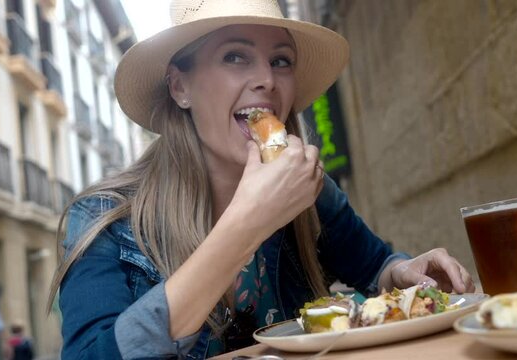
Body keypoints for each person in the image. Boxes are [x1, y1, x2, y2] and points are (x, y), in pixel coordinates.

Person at [50, 0, 475, 358]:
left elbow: (375, 265)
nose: (267, 80)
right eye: (235, 56)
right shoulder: (102, 218)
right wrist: (247, 224)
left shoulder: (308, 190)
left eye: (281, 61)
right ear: (180, 87)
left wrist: (402, 273)